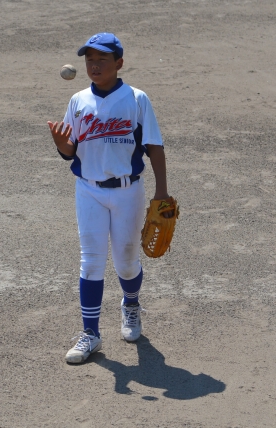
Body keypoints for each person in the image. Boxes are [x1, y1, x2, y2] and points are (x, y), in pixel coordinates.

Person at [47, 32, 172, 364]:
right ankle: (90, 333)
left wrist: (161, 191)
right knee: (90, 262)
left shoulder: (136, 99)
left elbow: (154, 147)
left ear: (119, 63)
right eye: (89, 60)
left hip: (128, 191)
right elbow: (71, 149)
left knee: (127, 262)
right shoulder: (77, 101)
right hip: (88, 189)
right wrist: (61, 144)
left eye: (102, 60)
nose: (94, 66)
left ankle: (130, 304)